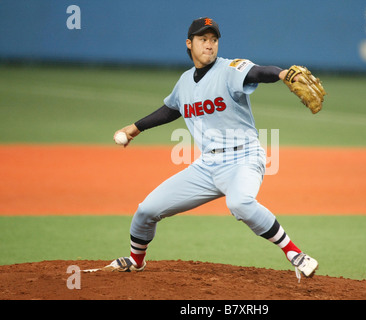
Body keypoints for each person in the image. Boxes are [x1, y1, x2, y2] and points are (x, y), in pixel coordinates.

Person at [106, 17, 318, 282]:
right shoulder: (184, 81)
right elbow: (172, 109)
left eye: (214, 39)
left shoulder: (230, 68)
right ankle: (136, 261)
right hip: (207, 167)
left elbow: (257, 72)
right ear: (189, 43)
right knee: (145, 211)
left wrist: (282, 74)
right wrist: (136, 128)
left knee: (240, 203)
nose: (209, 45)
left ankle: (295, 254)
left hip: (244, 158)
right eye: (203, 39)